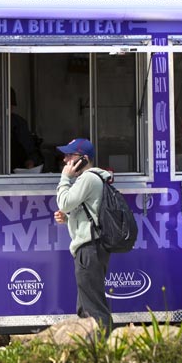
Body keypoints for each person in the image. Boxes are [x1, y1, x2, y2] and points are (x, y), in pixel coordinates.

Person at [51, 138, 110, 328]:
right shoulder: (89, 179)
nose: (65, 160)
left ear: (83, 159)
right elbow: (88, 213)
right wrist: (68, 219)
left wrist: (64, 178)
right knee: (85, 306)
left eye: (70, 155)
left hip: (89, 248)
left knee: (93, 307)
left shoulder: (88, 178)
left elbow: (64, 203)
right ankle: (91, 348)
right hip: (90, 247)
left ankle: (102, 350)